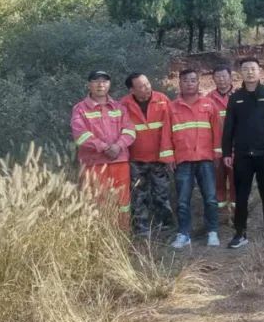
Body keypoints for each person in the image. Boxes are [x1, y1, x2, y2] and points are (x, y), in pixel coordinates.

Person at [222, 57, 264, 248]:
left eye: (253, 68)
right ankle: (240, 233)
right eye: (245, 69)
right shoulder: (235, 97)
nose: (249, 72)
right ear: (240, 72)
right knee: (241, 195)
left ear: (260, 71)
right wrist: (227, 152)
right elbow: (228, 128)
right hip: (242, 155)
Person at [70, 70, 136, 225]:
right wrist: (105, 148)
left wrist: (118, 146)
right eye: (96, 81)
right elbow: (81, 135)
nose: (101, 84)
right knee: (96, 201)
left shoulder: (119, 107)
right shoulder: (80, 109)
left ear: (109, 84)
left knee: (123, 202)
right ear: (89, 85)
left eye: (104, 81)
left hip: (119, 162)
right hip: (94, 164)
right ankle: (100, 235)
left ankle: (122, 234)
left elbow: (130, 130)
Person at [168, 69, 222, 249]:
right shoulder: (172, 107)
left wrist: (217, 153)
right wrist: (169, 156)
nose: (189, 83)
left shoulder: (208, 104)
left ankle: (212, 232)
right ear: (180, 83)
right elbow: (166, 134)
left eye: (193, 80)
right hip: (183, 159)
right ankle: (184, 234)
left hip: (205, 158)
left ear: (198, 83)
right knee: (183, 200)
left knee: (211, 198)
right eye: (185, 80)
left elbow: (217, 131)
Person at [121, 72, 174, 236]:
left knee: (162, 194)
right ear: (132, 90)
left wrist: (169, 155)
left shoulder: (162, 99)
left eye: (147, 83)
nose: (147, 88)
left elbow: (171, 127)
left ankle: (166, 227)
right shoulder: (123, 104)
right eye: (141, 86)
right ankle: (141, 229)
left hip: (159, 158)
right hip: (136, 159)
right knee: (138, 195)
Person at [208, 64, 236, 220]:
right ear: (213, 79)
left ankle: (237, 213)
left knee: (236, 180)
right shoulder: (208, 99)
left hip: (236, 146)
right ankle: (222, 214)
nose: (221, 79)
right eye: (217, 77)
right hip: (216, 147)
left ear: (230, 77)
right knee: (218, 180)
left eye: (224, 76)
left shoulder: (240, 95)